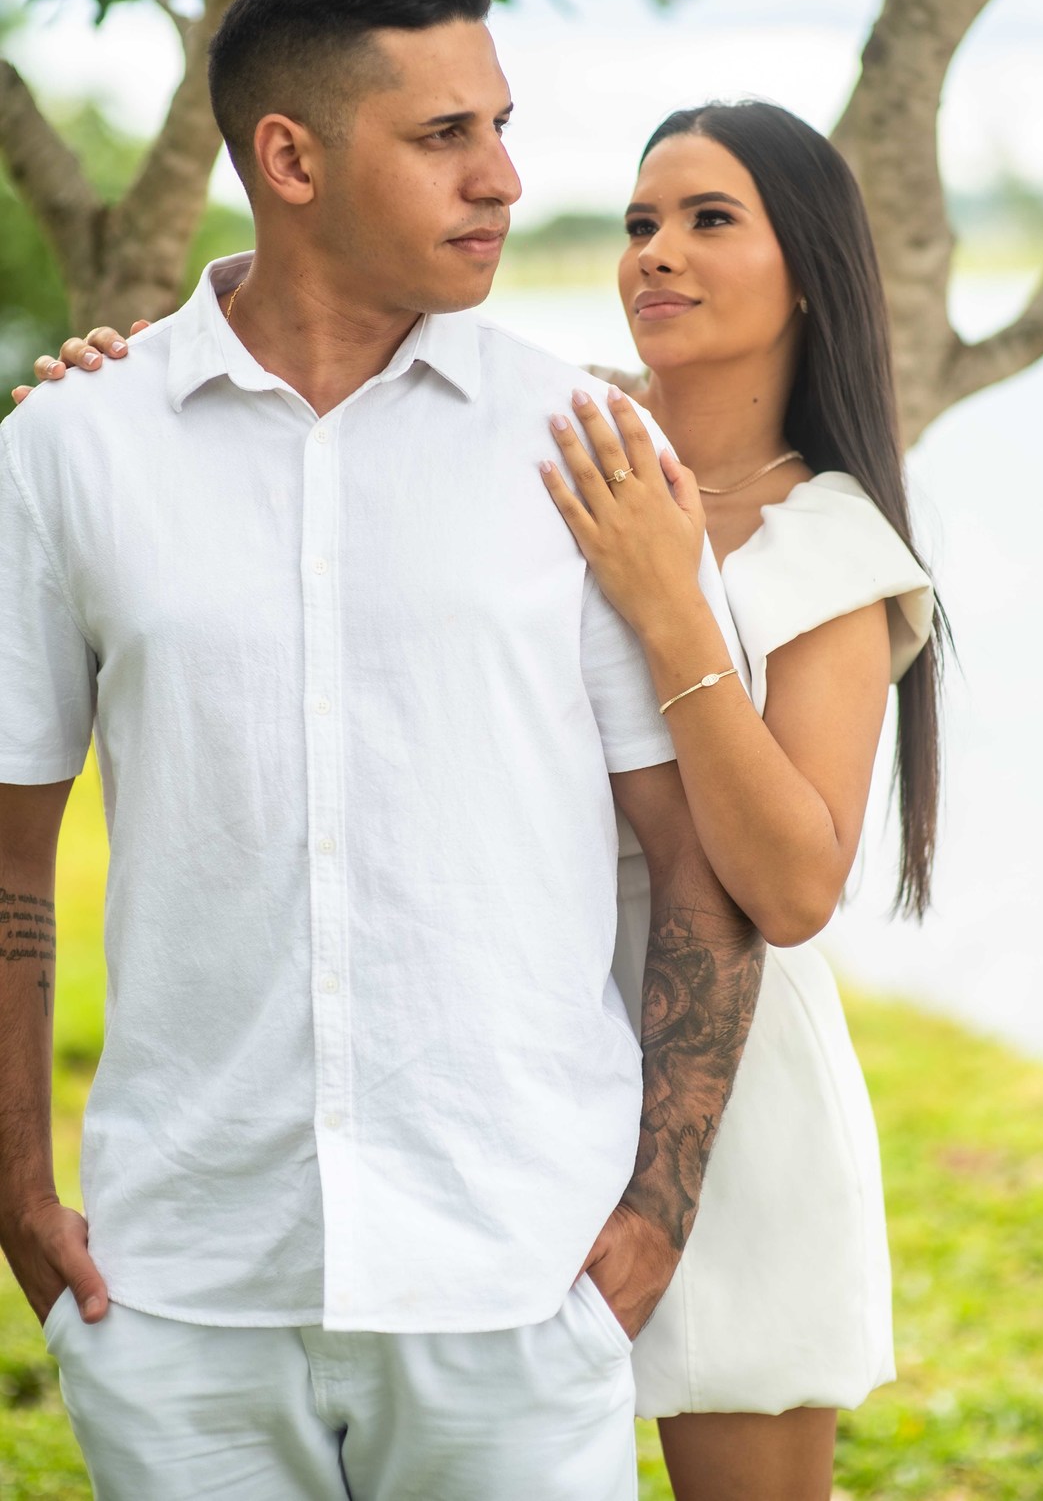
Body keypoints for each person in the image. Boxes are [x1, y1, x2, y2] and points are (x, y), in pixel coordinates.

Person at [25, 105, 942, 1500]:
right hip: (484, 1096)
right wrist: (124, 380)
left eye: (710, 221)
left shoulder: (832, 545)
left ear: (808, 269)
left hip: (719, 1096)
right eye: (641, 221)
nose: (657, 254)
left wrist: (666, 600)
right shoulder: (556, 426)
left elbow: (796, 887)